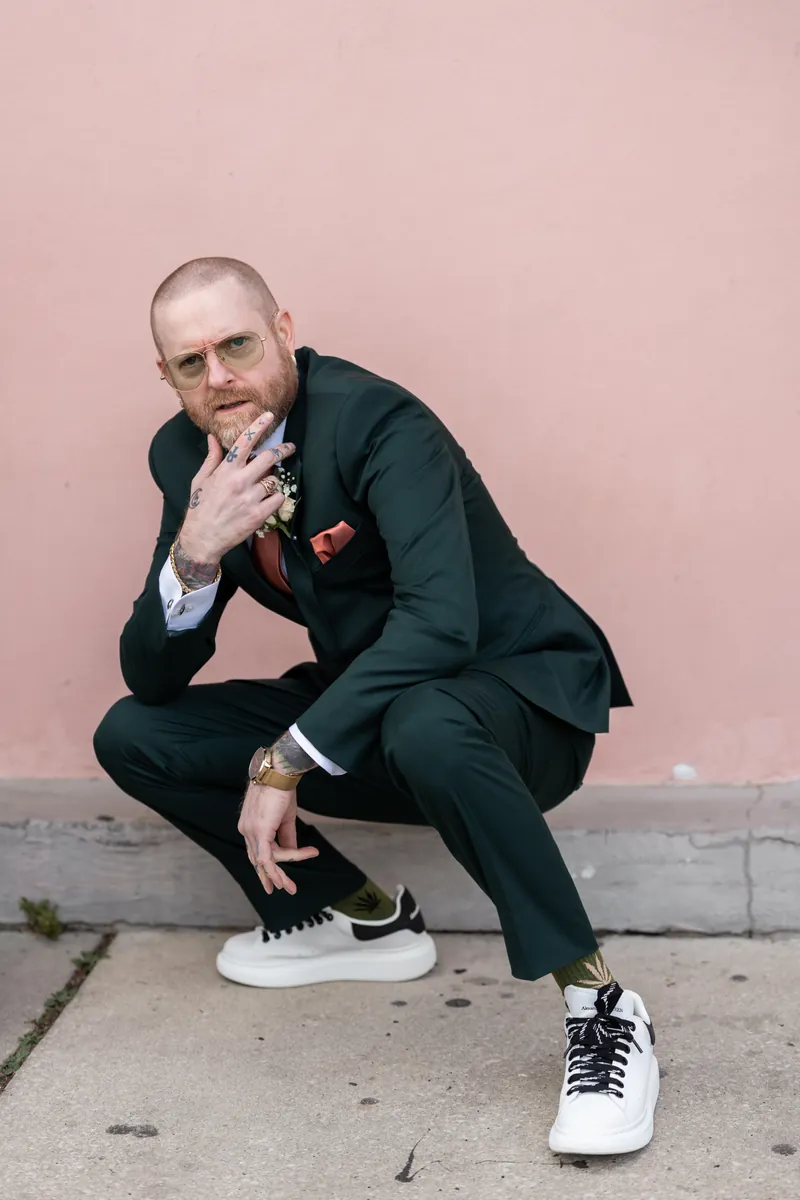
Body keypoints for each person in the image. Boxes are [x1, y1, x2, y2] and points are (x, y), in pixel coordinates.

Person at [94, 257, 659, 1156]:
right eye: (190, 363)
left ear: (283, 328)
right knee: (136, 735)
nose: (220, 377)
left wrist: (286, 759)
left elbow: (440, 624)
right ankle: (356, 917)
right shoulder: (183, 457)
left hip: (519, 705)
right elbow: (152, 677)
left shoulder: (378, 421)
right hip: (381, 710)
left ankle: (602, 1008)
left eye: (236, 344)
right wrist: (196, 552)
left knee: (425, 718)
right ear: (165, 378)